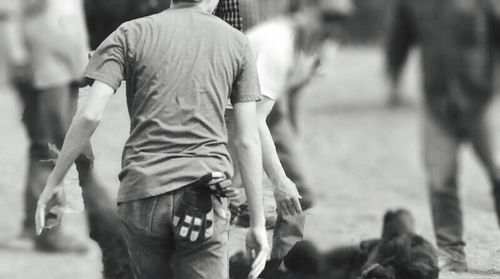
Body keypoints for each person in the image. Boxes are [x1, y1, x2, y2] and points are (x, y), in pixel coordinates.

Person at [35, 0, 269, 278]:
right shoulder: (237, 42)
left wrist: (55, 181)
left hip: (142, 191)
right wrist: (257, 222)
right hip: (204, 191)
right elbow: (247, 139)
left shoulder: (130, 32)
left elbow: (89, 115)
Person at [227, 0, 353, 275]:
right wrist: (279, 180)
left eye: (340, 19)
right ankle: (206, 264)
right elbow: (251, 120)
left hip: (271, 106)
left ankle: (282, 269)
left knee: (301, 192)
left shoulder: (321, 45)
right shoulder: (276, 43)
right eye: (328, 16)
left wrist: (295, 137)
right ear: (305, 10)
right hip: (233, 109)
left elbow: (294, 88)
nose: (333, 25)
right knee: (231, 192)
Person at [2, 0, 128, 254]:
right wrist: (18, 59)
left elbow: (65, 17)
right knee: (50, 149)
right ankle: (48, 232)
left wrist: (81, 61)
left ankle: (101, 224)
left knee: (69, 150)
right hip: (44, 73)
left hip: (64, 72)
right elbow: (8, 14)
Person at [386, 0, 500, 272]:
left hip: (481, 101)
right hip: (437, 104)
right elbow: (399, 39)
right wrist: (395, 81)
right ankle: (452, 253)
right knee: (440, 181)